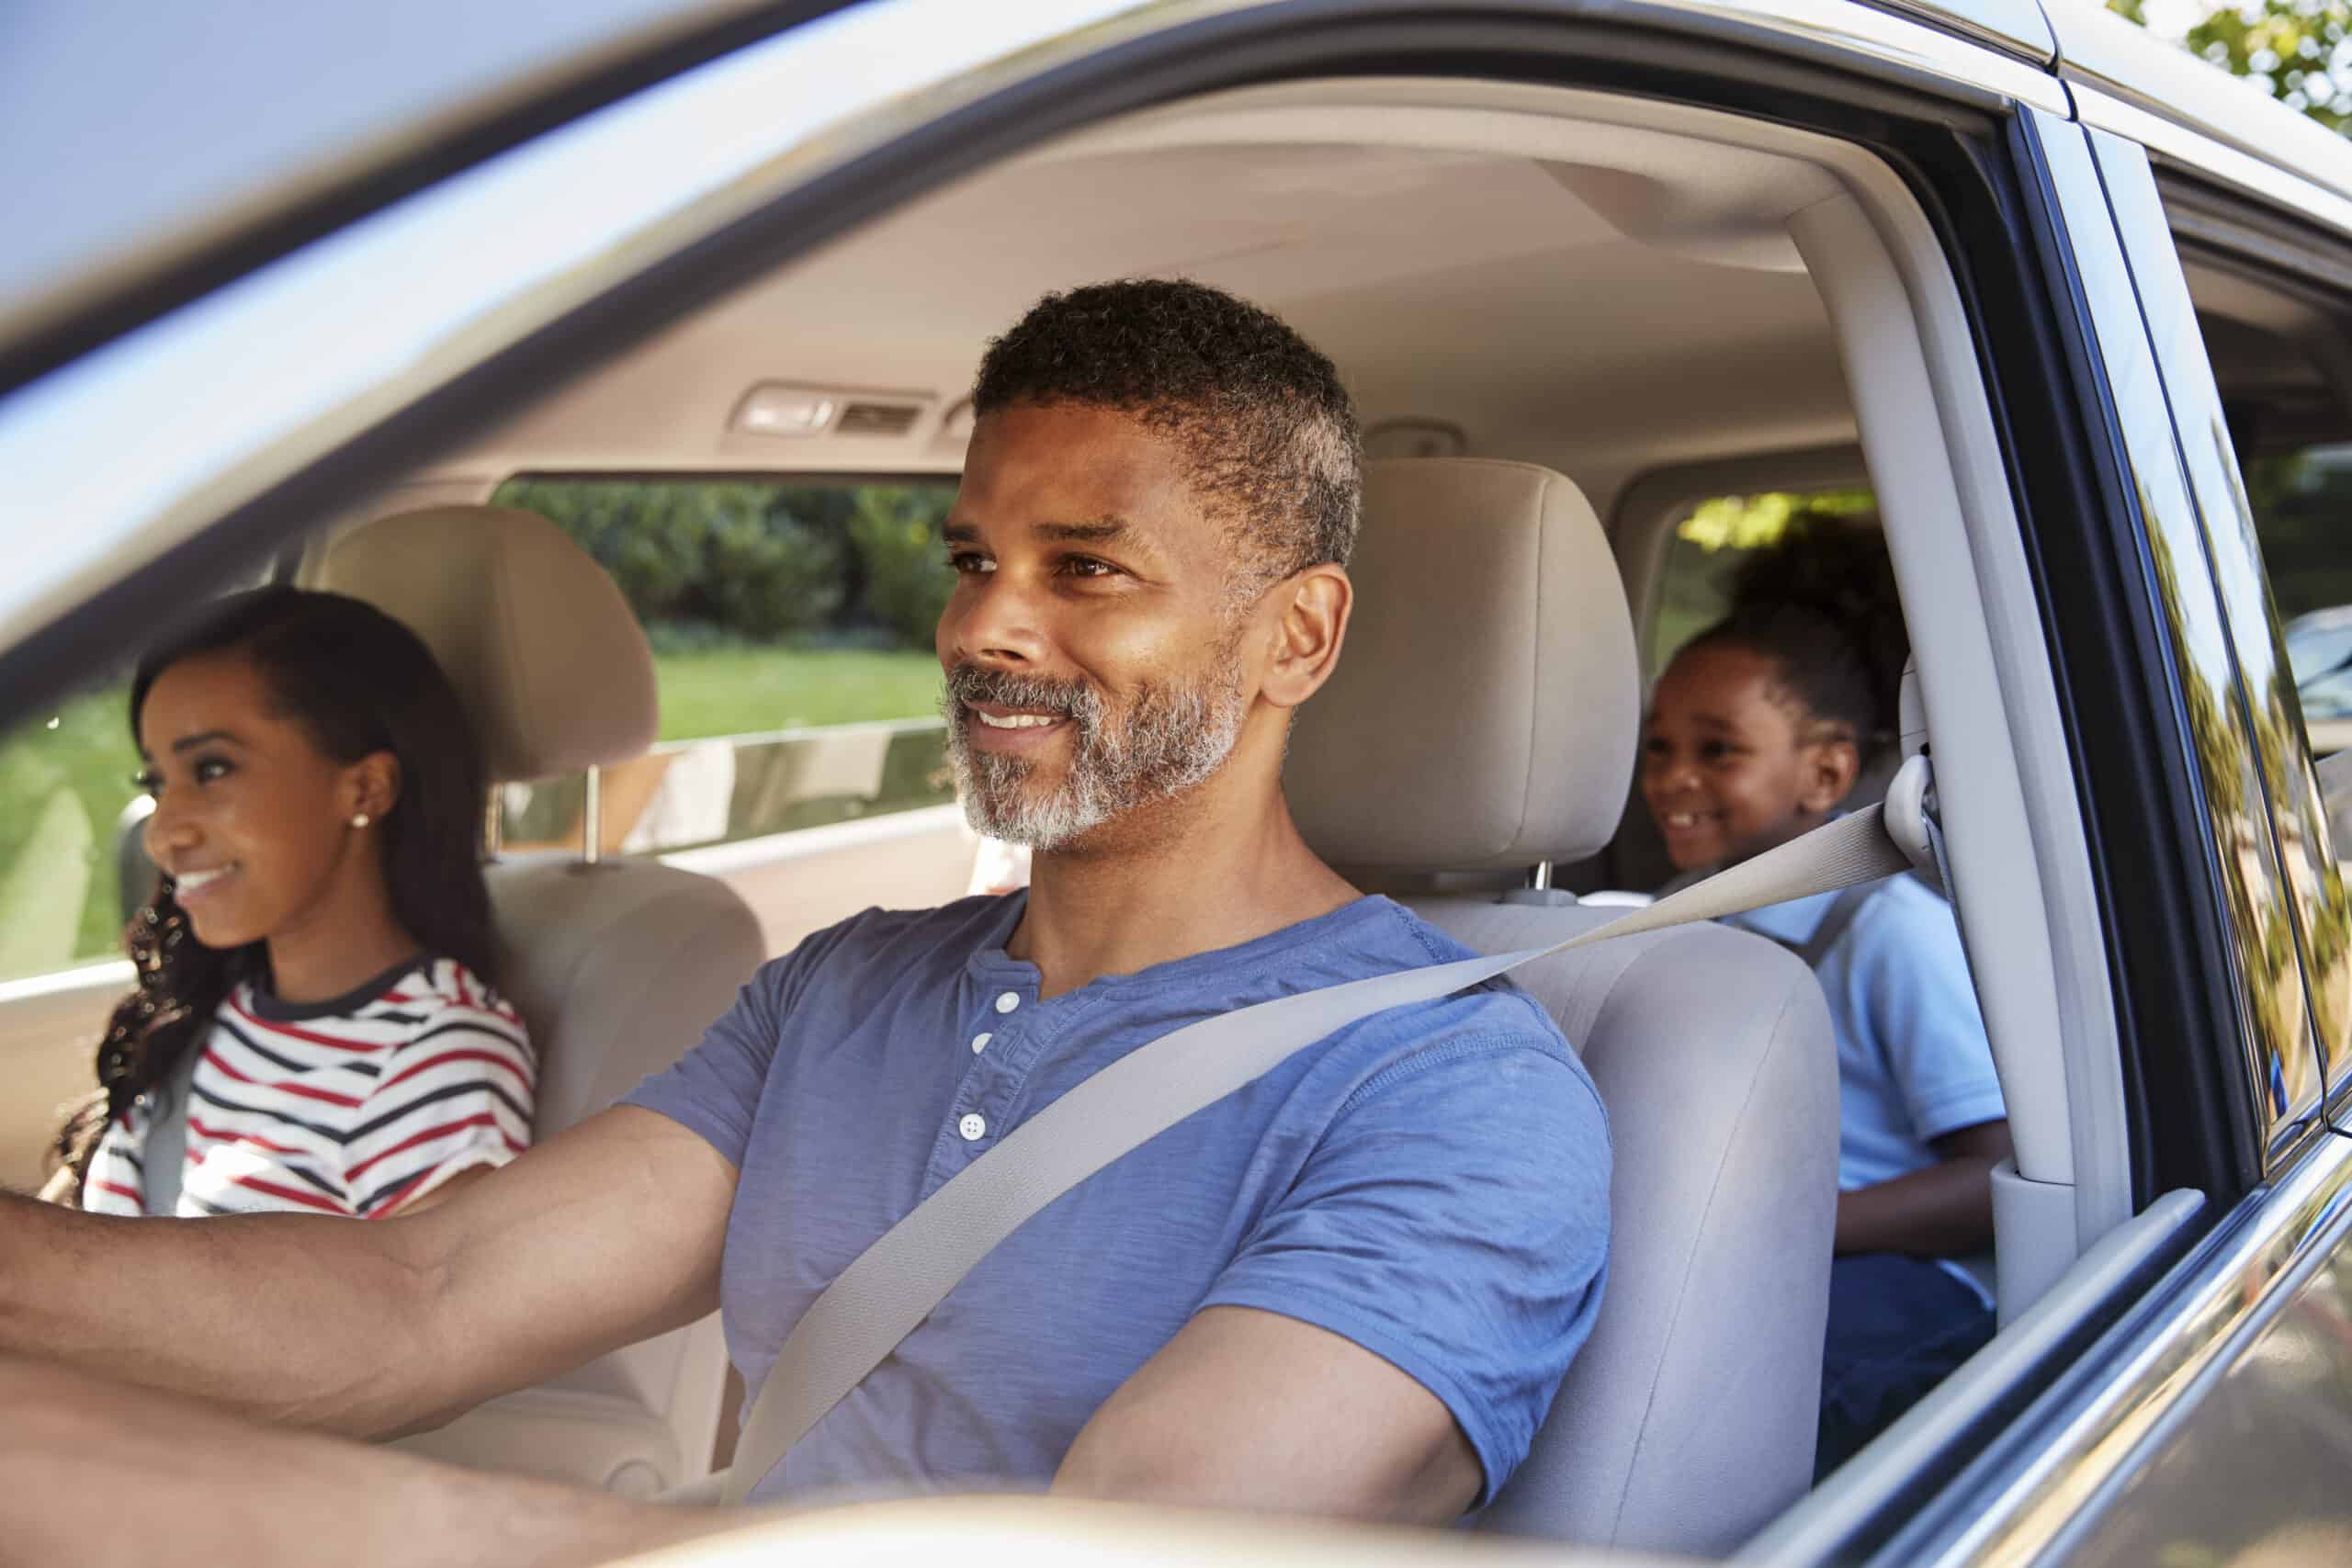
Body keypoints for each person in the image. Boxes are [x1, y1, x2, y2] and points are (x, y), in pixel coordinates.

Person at [0, 279, 1610, 1566]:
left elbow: (1128, 1537)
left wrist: (349, 1524)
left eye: (1087, 568)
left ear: (1297, 638)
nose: (984, 622)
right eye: (973, 556)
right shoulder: (845, 986)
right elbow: (424, 1294)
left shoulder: (1457, 1092)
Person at [1638, 521, 2009, 1478]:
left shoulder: (1885, 932)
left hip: (1901, 1280)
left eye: (1717, 751)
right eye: (1658, 746)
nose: (1672, 778)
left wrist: (1801, 1228)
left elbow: (1992, 1171)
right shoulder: (1672, 918)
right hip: (1730, 1255)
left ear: (1827, 772)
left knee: (1714, 1415)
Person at [40, 586, 533, 1220]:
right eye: (159, 783)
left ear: (366, 788)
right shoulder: (211, 1006)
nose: (163, 834)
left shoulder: (437, 1062)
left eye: (213, 770)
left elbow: (427, 1314)